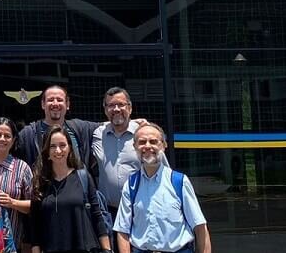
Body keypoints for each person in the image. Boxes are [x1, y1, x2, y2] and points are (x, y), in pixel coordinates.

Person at [112, 123, 210, 253]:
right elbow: (122, 231)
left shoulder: (179, 182)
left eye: (153, 141)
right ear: (135, 147)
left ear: (164, 145)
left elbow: (200, 227)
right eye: (142, 142)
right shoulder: (131, 185)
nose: (147, 146)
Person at [26, 126, 111, 253]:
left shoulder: (83, 176)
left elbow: (97, 215)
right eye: (53, 146)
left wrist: (107, 249)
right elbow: (35, 225)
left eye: (62, 145)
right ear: (46, 151)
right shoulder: (40, 182)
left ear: (70, 147)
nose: (58, 150)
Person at [92, 87, 168, 215]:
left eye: (121, 104)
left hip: (141, 209)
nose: (116, 109)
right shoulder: (98, 134)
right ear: (105, 110)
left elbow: (164, 172)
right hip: (108, 212)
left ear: (130, 108)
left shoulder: (144, 134)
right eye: (111, 105)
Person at [14, 85, 101, 171]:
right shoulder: (28, 134)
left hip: (75, 183)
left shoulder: (80, 128)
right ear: (43, 104)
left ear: (67, 104)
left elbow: (108, 126)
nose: (55, 104)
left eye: (59, 100)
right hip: (42, 183)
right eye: (50, 100)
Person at [0, 117, 33, 251]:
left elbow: (36, 205)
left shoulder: (22, 169)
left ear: (13, 141)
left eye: (7, 136)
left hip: (10, 245)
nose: (2, 139)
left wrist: (12, 202)